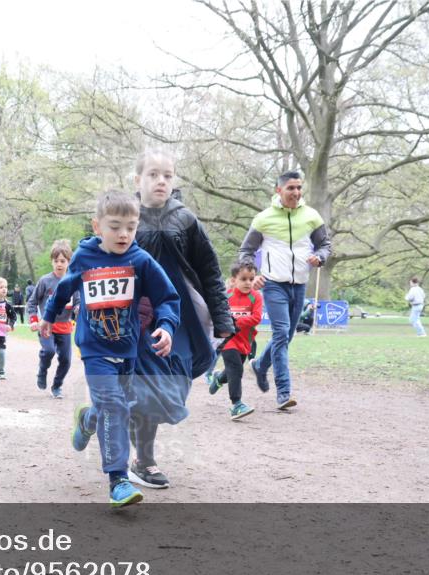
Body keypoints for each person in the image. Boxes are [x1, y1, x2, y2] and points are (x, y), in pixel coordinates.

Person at [41, 190, 180, 508]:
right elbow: (65, 288)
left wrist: (167, 326)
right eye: (115, 226)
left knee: (117, 408)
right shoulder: (85, 257)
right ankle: (118, 480)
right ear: (97, 226)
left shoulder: (141, 261)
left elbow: (168, 298)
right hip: (94, 348)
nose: (123, 234)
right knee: (116, 407)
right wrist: (50, 316)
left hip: (128, 349)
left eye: (130, 227)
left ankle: (88, 419)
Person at [126, 150, 232, 490]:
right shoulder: (123, 217)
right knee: (146, 389)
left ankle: (95, 417)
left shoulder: (185, 219)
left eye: (167, 175)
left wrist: (222, 319)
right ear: (137, 179)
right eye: (153, 174)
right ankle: (144, 460)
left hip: (180, 318)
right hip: (136, 319)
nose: (161, 181)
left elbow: (210, 272)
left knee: (170, 392)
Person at [240, 170, 332, 409]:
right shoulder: (263, 219)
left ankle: (260, 366)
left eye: (299, 188)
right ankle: (284, 392)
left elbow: (325, 245)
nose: (296, 192)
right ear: (278, 190)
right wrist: (253, 277)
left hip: (299, 285)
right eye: (291, 188)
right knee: (281, 334)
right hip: (273, 285)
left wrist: (319, 257)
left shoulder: (312, 216)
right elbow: (246, 252)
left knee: (287, 336)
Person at [209, 260, 262, 419]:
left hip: (245, 341)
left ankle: (219, 378)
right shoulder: (227, 296)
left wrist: (235, 322)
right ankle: (236, 404)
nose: (248, 283)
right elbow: (219, 315)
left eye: (251, 279)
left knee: (233, 369)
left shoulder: (256, 297)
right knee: (236, 369)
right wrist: (228, 324)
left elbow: (256, 318)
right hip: (228, 340)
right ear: (233, 280)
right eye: (244, 279)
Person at [28, 239, 78, 399]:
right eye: (56, 261)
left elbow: (78, 303)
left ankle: (57, 386)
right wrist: (34, 320)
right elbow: (32, 302)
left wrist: (78, 309)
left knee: (66, 360)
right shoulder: (45, 281)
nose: (59, 264)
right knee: (48, 351)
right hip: (47, 326)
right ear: (52, 262)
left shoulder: (73, 281)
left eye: (63, 261)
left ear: (69, 262)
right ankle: (42, 371)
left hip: (65, 327)